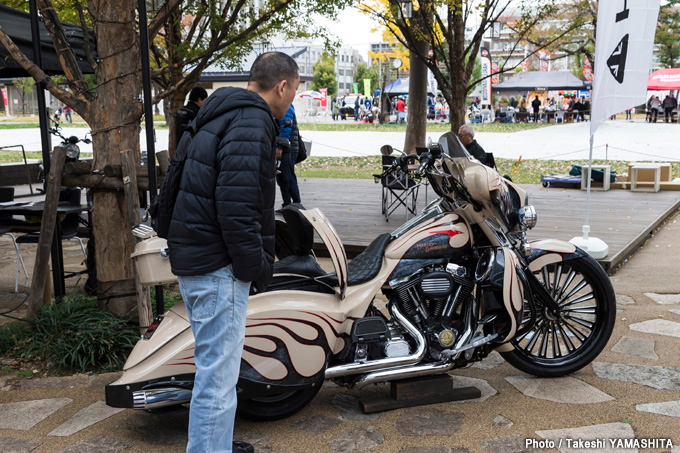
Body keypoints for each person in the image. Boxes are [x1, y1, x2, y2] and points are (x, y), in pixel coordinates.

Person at [167, 51, 299, 453]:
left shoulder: (221, 111)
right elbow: (236, 208)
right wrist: (257, 268)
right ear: (282, 86)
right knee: (218, 379)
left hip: (198, 255)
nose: (291, 99)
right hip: (216, 263)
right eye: (293, 91)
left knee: (214, 370)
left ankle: (215, 444)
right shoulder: (252, 121)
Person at [276, 104, 301, 207]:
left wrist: (280, 146)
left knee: (288, 177)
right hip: (282, 147)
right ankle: (286, 205)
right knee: (281, 178)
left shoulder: (286, 105)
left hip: (288, 148)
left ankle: (297, 205)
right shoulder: (280, 104)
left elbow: (286, 127)